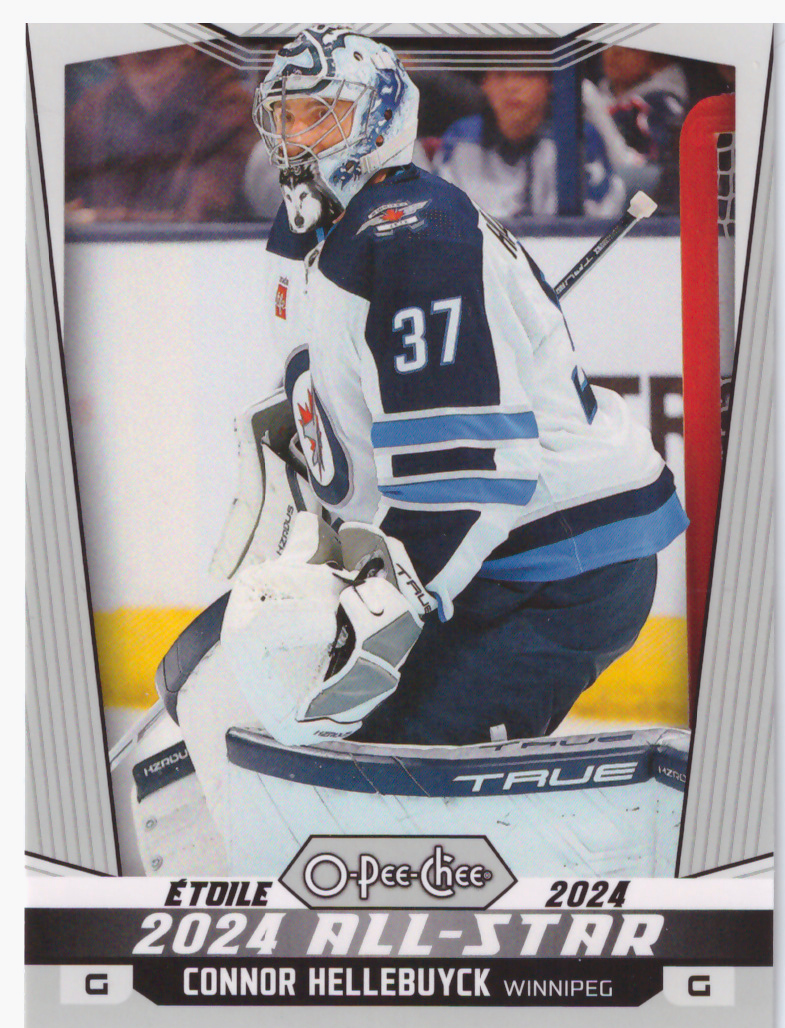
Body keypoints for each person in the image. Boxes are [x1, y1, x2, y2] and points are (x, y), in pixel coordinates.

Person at [161, 26, 688, 750]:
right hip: (475, 556)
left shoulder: (414, 237)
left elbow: (468, 478)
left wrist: (387, 604)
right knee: (302, 720)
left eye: (321, 115)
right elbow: (339, 378)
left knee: (383, 757)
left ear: (379, 120)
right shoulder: (308, 228)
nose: (296, 140)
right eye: (285, 117)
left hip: (559, 565)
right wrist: (306, 435)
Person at [65, 45, 258, 223]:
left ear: (190, 47)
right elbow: (55, 198)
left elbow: (200, 224)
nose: (144, 50)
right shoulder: (93, 108)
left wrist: (92, 219)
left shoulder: (230, 110)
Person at [431, 69, 625, 222]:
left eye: (527, 75)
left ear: (549, 83)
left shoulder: (577, 139)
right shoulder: (461, 139)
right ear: (485, 84)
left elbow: (597, 224)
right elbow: (439, 218)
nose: (512, 86)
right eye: (500, 75)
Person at [583, 46, 688, 213]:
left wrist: (596, 110)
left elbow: (648, 175)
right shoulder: (599, 95)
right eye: (609, 44)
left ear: (656, 59)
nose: (615, 53)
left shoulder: (661, 105)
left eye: (630, 48)